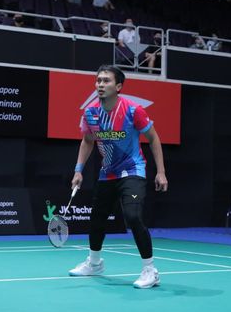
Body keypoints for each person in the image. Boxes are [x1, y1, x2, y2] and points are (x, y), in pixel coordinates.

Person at [68, 65, 168, 289]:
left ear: (119, 86)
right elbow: (87, 141)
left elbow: (153, 139)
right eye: (98, 80)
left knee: (132, 215)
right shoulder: (91, 112)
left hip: (132, 170)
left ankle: (150, 270)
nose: (100, 84)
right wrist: (78, 169)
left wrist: (160, 172)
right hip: (107, 173)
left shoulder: (133, 111)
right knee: (97, 218)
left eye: (106, 81)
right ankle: (94, 264)